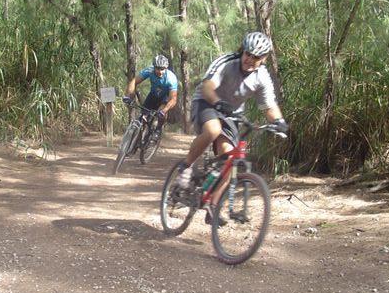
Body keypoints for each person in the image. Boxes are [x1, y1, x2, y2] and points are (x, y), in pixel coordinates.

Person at [176, 31, 288, 224]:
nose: (250, 60)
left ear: (264, 59)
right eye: (248, 54)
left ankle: (213, 206)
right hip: (206, 102)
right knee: (212, 130)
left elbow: (269, 106)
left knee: (230, 159)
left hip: (232, 113)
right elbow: (208, 86)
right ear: (242, 51)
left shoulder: (262, 77)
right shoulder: (227, 62)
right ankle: (186, 167)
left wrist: (279, 122)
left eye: (256, 57)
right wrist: (218, 102)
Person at [122, 54, 178, 133]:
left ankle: (158, 129)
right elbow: (134, 82)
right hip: (153, 95)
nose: (160, 71)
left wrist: (164, 110)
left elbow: (173, 99)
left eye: (162, 69)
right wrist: (128, 95)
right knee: (143, 117)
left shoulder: (171, 78)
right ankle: (138, 137)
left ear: (166, 68)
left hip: (165, 97)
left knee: (162, 113)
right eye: (158, 68)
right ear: (154, 67)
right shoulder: (149, 71)